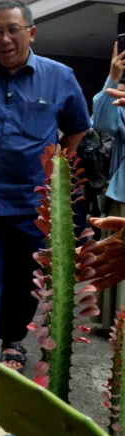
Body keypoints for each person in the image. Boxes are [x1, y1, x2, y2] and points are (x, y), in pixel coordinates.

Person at [0, 0, 90, 372]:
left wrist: (57, 169)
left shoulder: (60, 76)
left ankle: (12, 341)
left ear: (31, 33)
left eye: (13, 30)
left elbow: (77, 127)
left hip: (32, 203)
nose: (4, 39)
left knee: (25, 281)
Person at [91, 43, 125, 326]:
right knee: (118, 249)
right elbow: (101, 122)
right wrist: (112, 77)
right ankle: (117, 319)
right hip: (122, 193)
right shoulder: (121, 101)